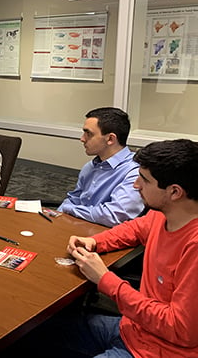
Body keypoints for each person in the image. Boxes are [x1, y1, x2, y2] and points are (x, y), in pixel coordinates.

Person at [65, 139, 198, 357]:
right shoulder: (161, 214)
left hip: (162, 351)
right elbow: (134, 230)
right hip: (134, 329)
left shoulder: (194, 245)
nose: (136, 185)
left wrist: (105, 280)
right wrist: (96, 242)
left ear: (174, 192)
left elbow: (180, 329)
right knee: (39, 332)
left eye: (144, 180)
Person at [58, 107, 144, 227]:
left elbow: (114, 216)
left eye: (89, 133)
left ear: (110, 139)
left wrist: (70, 209)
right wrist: (57, 215)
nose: (82, 139)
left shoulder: (135, 172)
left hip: (106, 236)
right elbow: (73, 199)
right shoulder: (90, 167)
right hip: (78, 228)